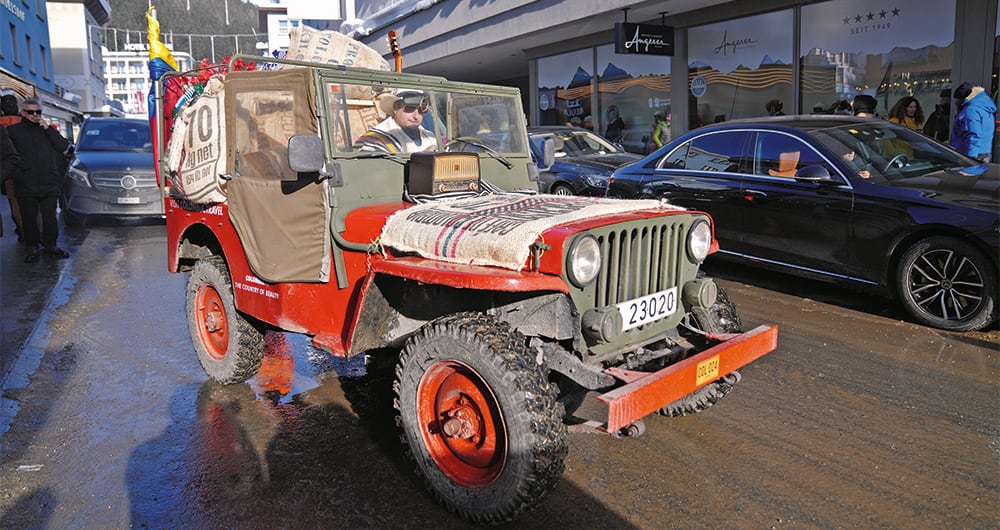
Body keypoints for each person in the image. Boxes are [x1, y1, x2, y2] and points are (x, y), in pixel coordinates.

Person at [6, 98, 72, 262]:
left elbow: (63, 146)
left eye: (38, 112)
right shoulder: (13, 131)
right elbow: (8, 156)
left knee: (50, 217)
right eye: (31, 112)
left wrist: (48, 129)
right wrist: (18, 175)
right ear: (22, 113)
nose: (35, 115)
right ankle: (32, 247)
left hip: (49, 180)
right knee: (29, 217)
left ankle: (51, 245)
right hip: (26, 182)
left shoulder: (47, 130)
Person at [356, 90, 437, 153]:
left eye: (421, 110)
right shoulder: (376, 139)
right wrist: (423, 157)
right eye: (409, 108)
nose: (416, 116)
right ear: (395, 108)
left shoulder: (430, 136)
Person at [950, 81, 997, 162]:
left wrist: (970, 159)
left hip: (971, 154)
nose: (955, 101)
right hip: (984, 152)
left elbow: (973, 135)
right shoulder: (984, 108)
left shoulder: (970, 111)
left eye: (957, 98)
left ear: (963, 98)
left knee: (968, 174)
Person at [0, 94, 23, 239]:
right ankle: (30, 235)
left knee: (14, 203)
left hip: (7, 172)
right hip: (25, 169)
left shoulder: (1, 124)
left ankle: (21, 230)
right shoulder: (23, 122)